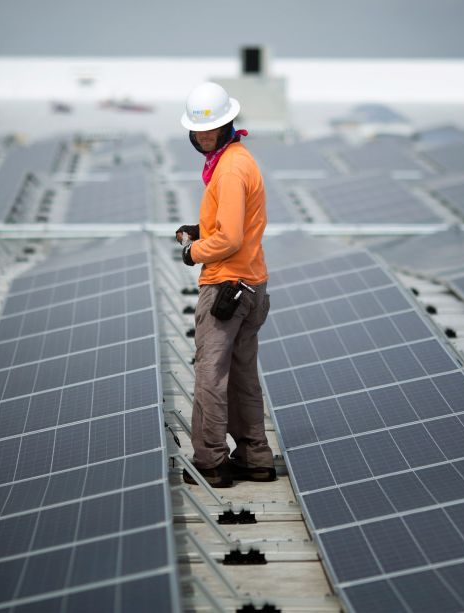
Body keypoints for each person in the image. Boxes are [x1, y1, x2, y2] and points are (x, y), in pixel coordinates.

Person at [176, 82, 275, 488]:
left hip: (226, 288)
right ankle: (255, 457)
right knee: (242, 373)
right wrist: (200, 230)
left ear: (228, 124)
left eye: (210, 129)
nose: (203, 137)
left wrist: (192, 252)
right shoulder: (237, 159)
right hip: (251, 283)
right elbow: (237, 225)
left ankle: (211, 461)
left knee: (210, 377)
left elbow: (230, 239)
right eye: (198, 131)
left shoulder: (230, 169)